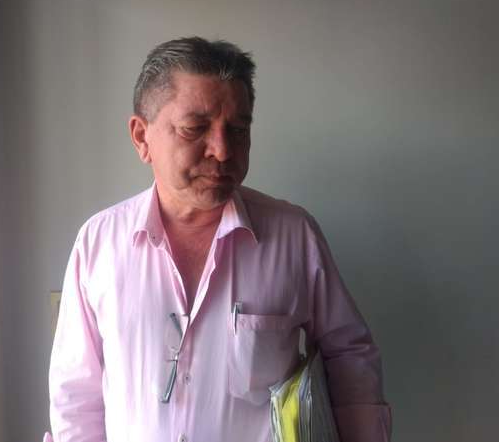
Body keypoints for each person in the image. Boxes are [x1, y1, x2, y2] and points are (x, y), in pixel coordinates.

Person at [46, 36, 391, 442]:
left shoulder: (293, 236)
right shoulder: (99, 244)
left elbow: (349, 355)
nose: (223, 151)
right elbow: (76, 394)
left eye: (239, 130)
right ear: (141, 136)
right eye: (195, 129)